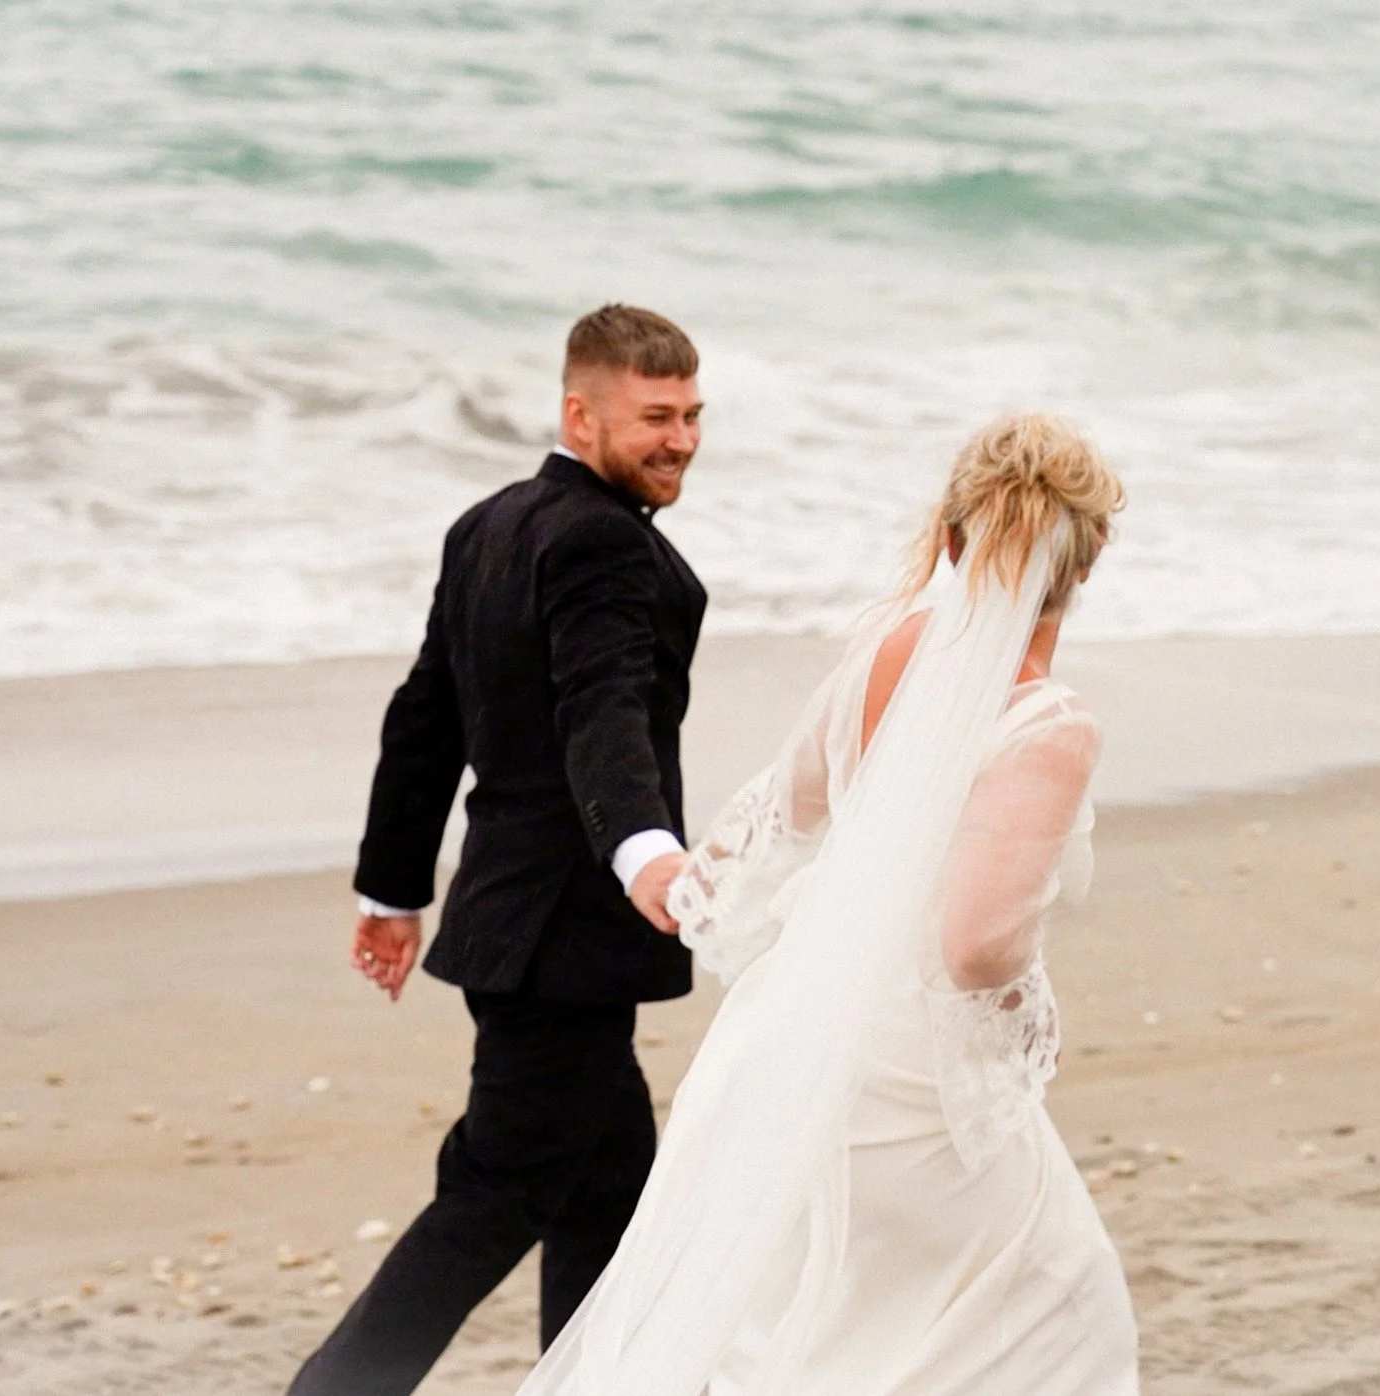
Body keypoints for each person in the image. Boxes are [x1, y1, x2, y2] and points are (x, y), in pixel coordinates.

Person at [518, 414, 1140, 1395]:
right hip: (912, 1091)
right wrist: (1020, 1032)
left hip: (784, 1048)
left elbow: (789, 807)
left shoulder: (886, 646)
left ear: (947, 536)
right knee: (1058, 1310)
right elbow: (977, 946)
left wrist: (692, 887)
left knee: (796, 1336)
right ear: (1087, 562)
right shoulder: (1049, 723)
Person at [286, 304, 707, 1396]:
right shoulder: (601, 544)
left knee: (609, 1186)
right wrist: (647, 853)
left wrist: (392, 887)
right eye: (655, 415)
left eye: (693, 414)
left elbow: (425, 718)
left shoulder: (489, 525)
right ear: (580, 412)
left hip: (513, 931)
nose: (681, 438)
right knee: (492, 1193)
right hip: (562, 936)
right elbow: (599, 711)